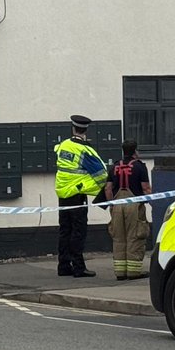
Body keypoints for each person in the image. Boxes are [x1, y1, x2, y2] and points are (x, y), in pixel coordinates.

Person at [53, 115, 108, 278]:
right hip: (77, 195)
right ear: (86, 130)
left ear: (73, 128)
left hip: (62, 194)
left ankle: (63, 266)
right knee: (78, 232)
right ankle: (78, 267)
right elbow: (101, 175)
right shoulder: (84, 150)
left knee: (64, 231)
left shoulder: (63, 145)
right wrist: (102, 190)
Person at [105, 139, 152, 280]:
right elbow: (146, 188)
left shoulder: (114, 167)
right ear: (135, 151)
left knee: (119, 238)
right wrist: (151, 202)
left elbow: (108, 188)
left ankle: (120, 272)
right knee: (135, 237)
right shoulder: (140, 167)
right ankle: (133, 272)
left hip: (117, 205)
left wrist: (112, 204)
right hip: (134, 206)